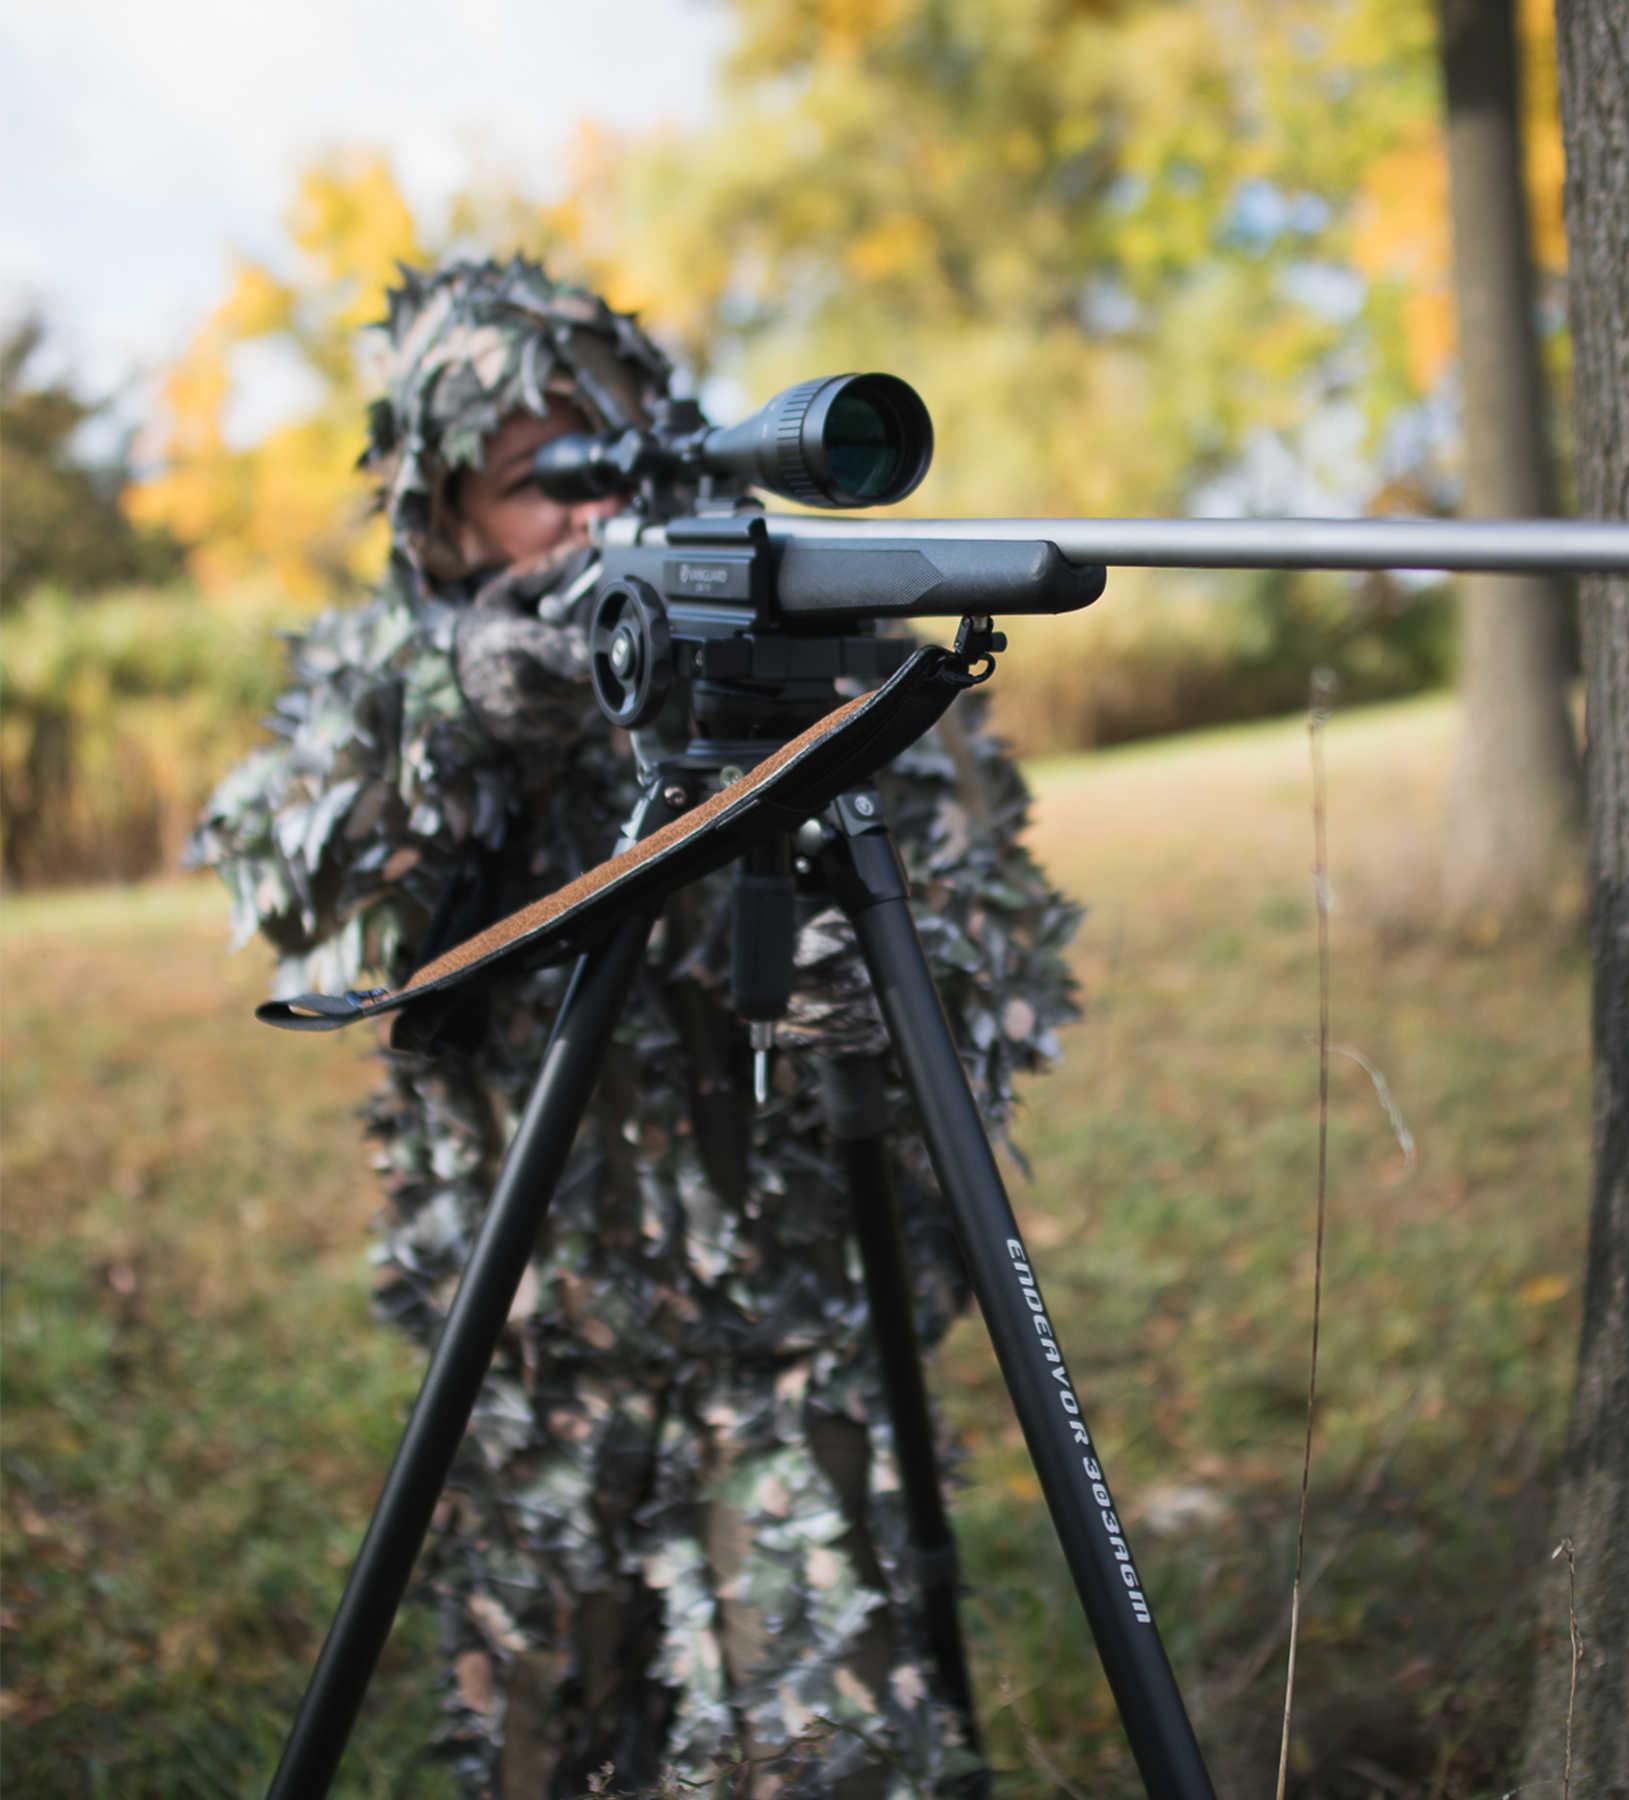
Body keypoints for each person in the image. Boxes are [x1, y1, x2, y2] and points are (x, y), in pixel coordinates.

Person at [197, 257, 1080, 1798]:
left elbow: (1003, 962)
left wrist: (890, 981)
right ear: (447, 522)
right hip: (535, 1366)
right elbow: (285, 876)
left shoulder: (833, 665)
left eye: (606, 451)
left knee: (835, 1765)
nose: (581, 512)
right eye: (534, 479)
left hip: (796, 1354)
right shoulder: (394, 679)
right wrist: (464, 702)